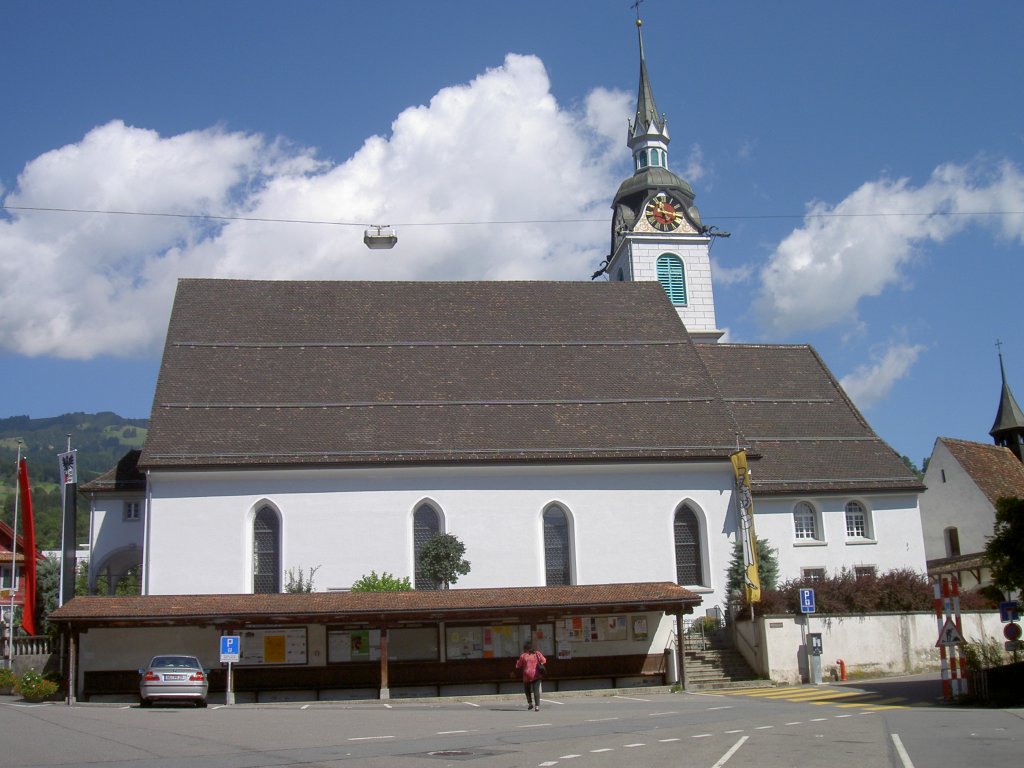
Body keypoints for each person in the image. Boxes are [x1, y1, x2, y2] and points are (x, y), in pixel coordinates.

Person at [515, 641, 547, 711]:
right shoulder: (537, 654)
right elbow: (544, 660)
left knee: (527, 690)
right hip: (536, 675)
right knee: (536, 691)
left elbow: (518, 665)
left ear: (525, 648)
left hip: (526, 676)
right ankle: (537, 706)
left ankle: (530, 704)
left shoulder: (523, 656)